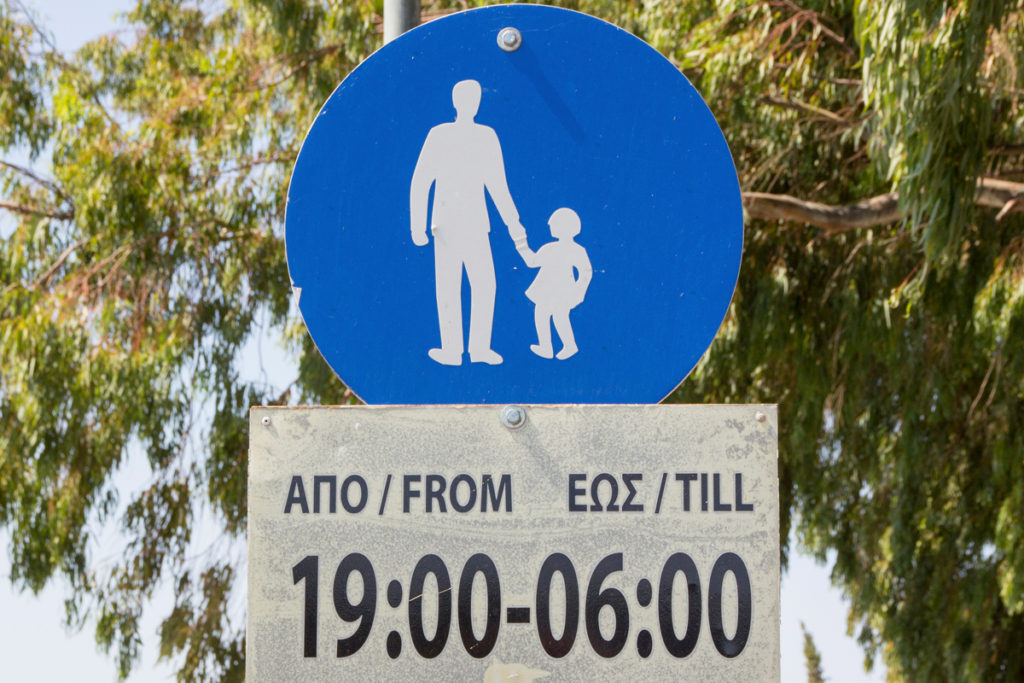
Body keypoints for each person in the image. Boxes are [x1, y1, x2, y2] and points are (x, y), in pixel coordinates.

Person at [410, 79, 526, 366]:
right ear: (457, 102)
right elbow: (421, 181)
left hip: (476, 223)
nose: (472, 103)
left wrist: (514, 225)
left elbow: (498, 186)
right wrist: (417, 226)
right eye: (468, 98)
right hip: (446, 225)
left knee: (485, 284)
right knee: (448, 286)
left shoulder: (486, 136)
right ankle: (451, 350)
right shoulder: (439, 135)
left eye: (475, 98)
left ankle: (479, 349)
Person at [514, 207, 592, 359]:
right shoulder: (550, 248)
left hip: (563, 292)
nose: (550, 226)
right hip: (547, 291)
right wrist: (521, 246)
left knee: (559, 316)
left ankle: (569, 345)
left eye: (553, 224)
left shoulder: (576, 250)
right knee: (541, 314)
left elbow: (586, 273)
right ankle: (546, 347)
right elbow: (533, 262)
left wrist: (578, 292)